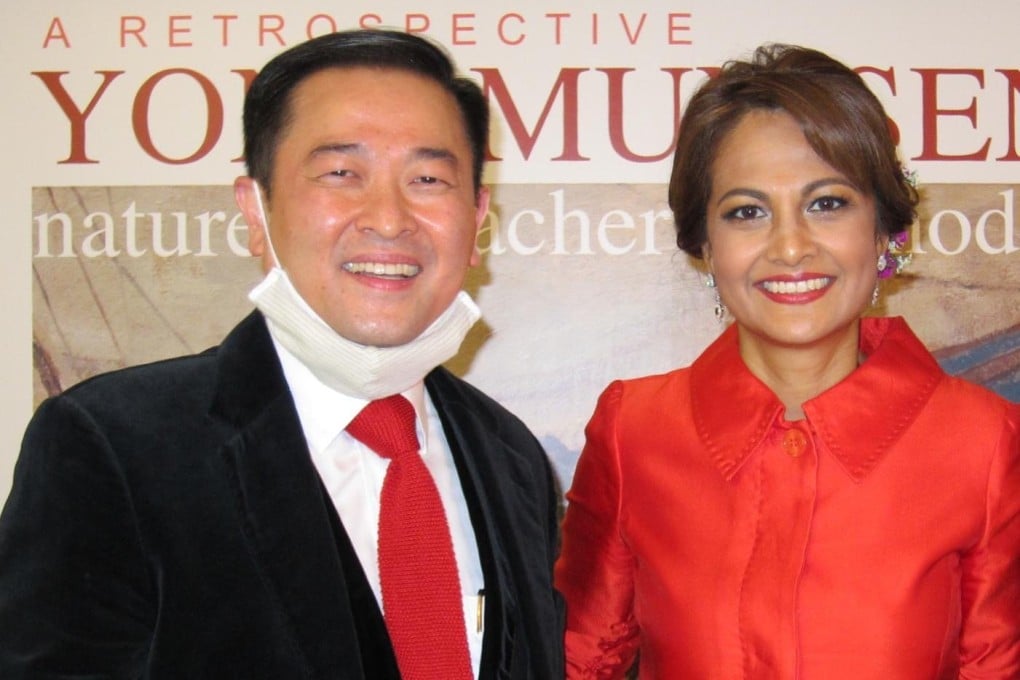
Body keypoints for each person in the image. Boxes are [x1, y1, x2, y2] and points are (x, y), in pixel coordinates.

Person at [0, 29, 564, 679]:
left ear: (477, 217)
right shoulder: (114, 449)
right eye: (341, 174)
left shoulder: (510, 455)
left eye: (429, 178)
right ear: (256, 211)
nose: (388, 218)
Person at [555, 43, 1020, 679]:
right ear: (705, 246)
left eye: (827, 203)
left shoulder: (983, 443)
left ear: (884, 230)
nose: (791, 246)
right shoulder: (633, 432)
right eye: (747, 212)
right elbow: (576, 660)